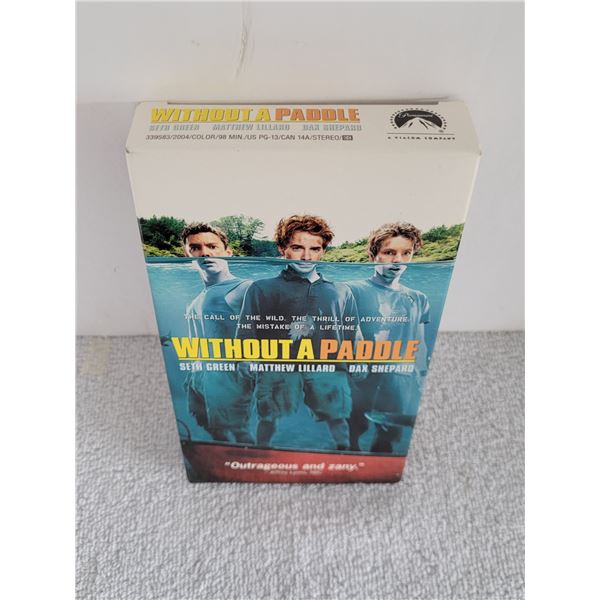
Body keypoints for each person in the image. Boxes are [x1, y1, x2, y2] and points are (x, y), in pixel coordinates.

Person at [237, 214, 361, 450]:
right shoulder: (261, 288)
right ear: (282, 249)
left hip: (328, 365)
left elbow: (352, 330)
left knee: (337, 418)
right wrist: (245, 358)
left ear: (323, 251)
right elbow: (246, 328)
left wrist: (359, 360)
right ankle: (261, 453)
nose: (306, 257)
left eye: (315, 249)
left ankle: (345, 453)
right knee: (268, 417)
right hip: (277, 365)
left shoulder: (341, 291)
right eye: (297, 248)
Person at [348, 222, 431, 454]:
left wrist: (422, 374)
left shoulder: (419, 298)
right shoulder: (351, 290)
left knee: (390, 434)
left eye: (406, 253)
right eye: (389, 252)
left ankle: (379, 466)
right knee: (353, 428)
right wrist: (355, 359)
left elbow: (420, 341)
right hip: (361, 375)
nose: (398, 260)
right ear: (373, 254)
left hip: (400, 376)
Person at [181, 222, 254, 444]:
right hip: (199, 375)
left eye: (212, 246)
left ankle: (251, 460)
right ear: (187, 255)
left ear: (228, 253)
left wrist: (249, 363)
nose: (205, 253)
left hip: (228, 378)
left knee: (238, 432)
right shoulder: (198, 298)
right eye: (195, 248)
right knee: (208, 426)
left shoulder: (245, 288)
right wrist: (192, 373)